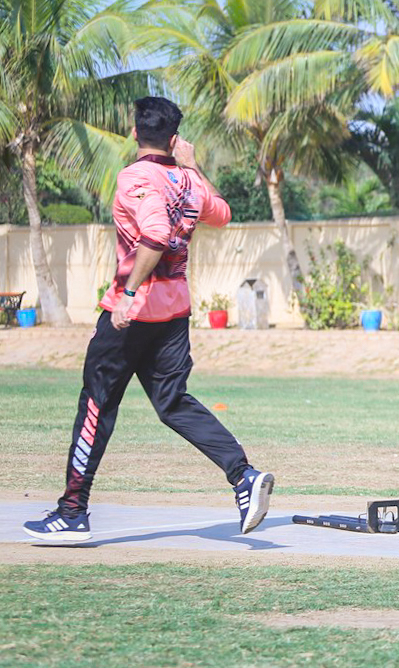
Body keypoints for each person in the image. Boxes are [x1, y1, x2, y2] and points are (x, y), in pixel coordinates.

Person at [23, 97, 275, 542]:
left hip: (132, 315)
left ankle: (72, 512)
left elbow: (155, 235)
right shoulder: (190, 181)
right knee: (172, 403)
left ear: (134, 133)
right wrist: (193, 166)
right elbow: (222, 213)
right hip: (173, 315)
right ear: (175, 139)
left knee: (96, 405)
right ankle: (243, 475)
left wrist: (128, 294)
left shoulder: (135, 177)